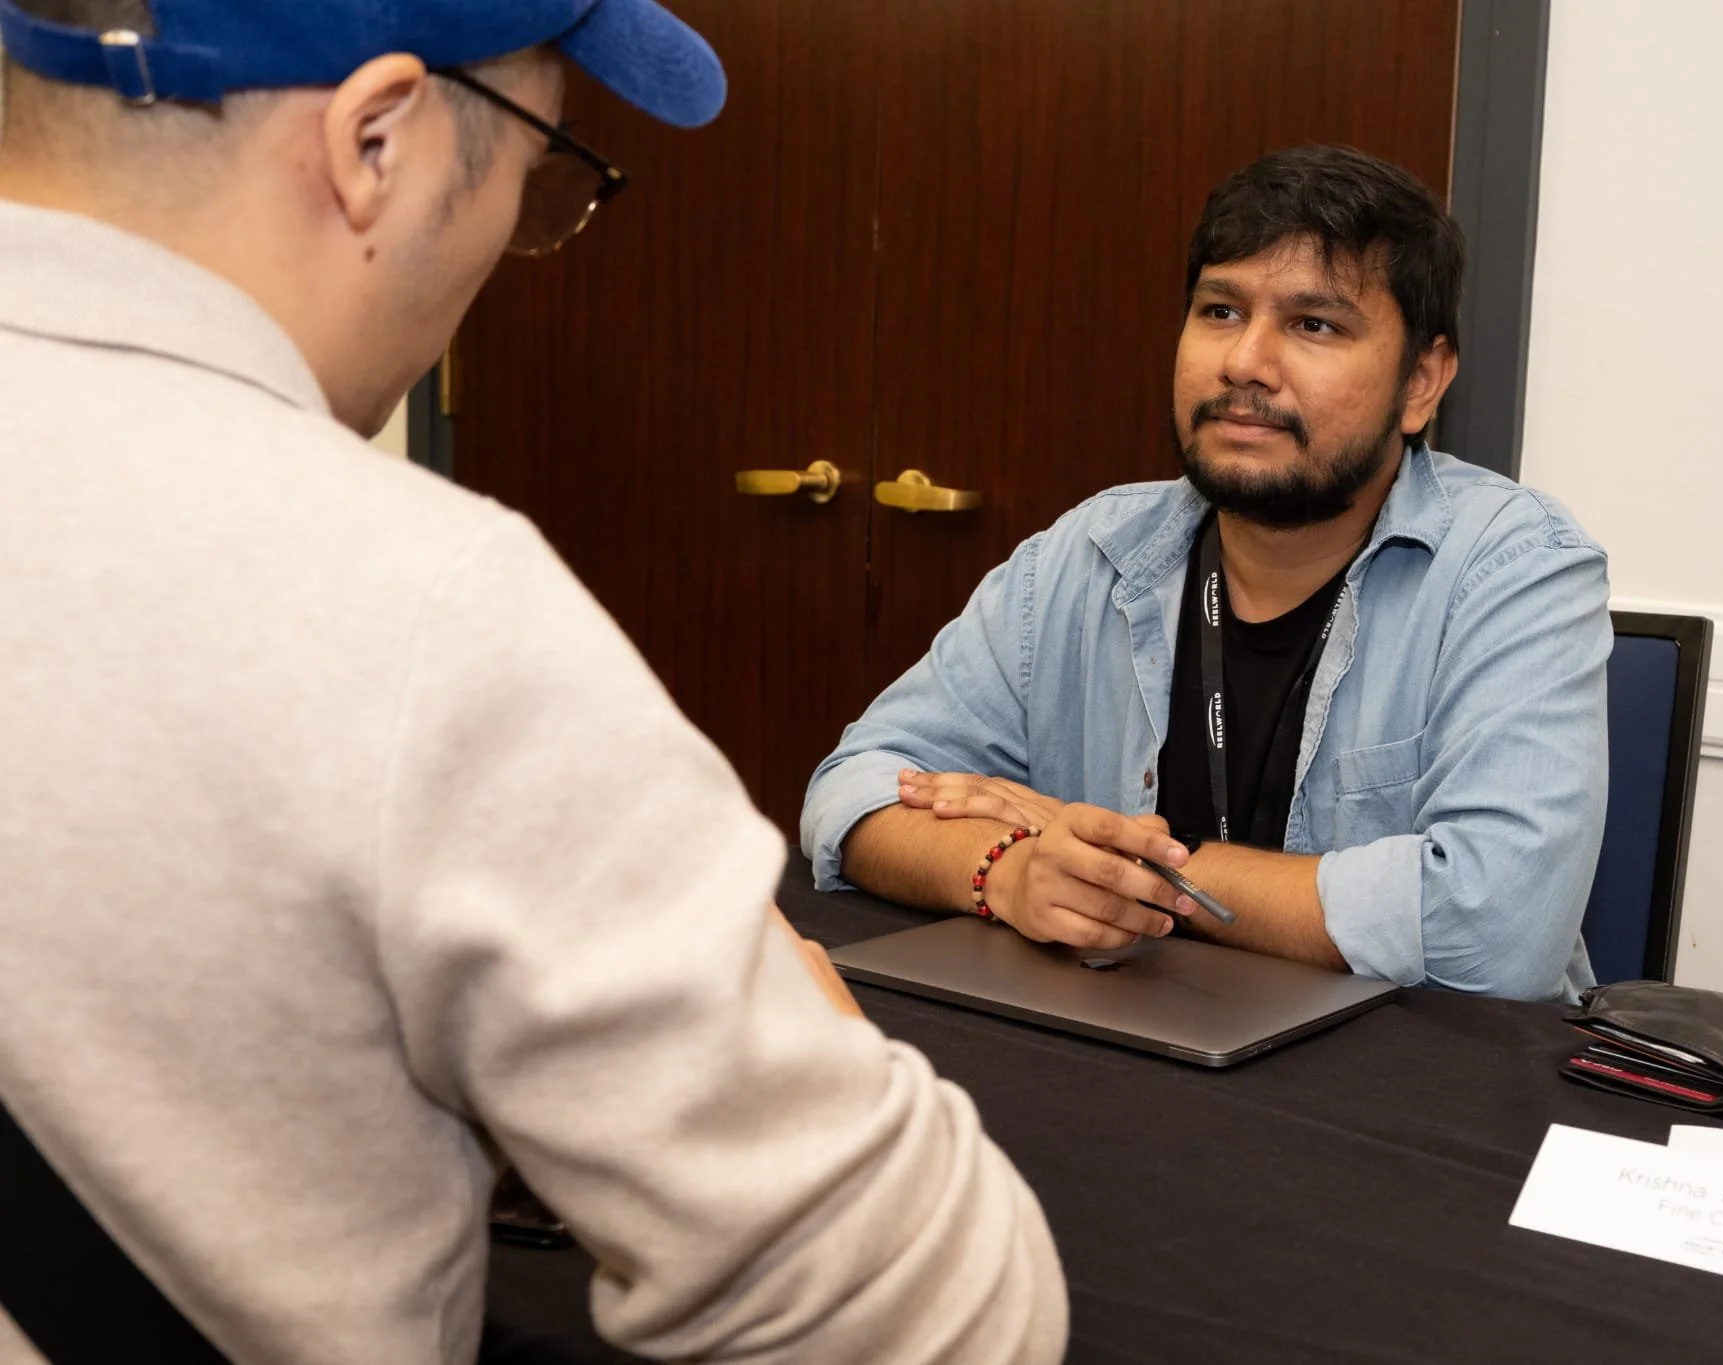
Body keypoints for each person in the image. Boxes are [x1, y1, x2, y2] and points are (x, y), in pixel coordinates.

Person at [0, 2, 1063, 1362]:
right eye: (540, 175)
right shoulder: (415, 606)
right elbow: (941, 1312)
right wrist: (803, 1032)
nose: (517, 242)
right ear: (376, 140)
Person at [803, 145, 1611, 1005]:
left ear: (1421, 383)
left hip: (1411, 1093)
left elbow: (1500, 931)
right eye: (1221, 310)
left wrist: (1141, 868)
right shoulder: (1093, 550)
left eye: (1314, 325)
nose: (1245, 364)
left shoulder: (1515, 568)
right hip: (1124, 1053)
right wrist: (1010, 869)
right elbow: (851, 792)